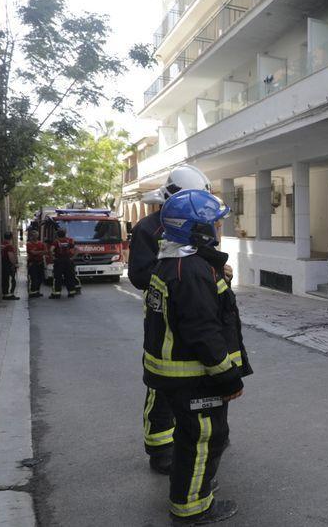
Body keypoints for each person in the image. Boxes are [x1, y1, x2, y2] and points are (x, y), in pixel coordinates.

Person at [144, 189, 249, 524]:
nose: (220, 230)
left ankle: (192, 485)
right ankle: (193, 507)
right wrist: (227, 375)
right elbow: (204, 332)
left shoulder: (176, 264)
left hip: (176, 376)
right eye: (215, 225)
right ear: (199, 231)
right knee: (204, 438)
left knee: (190, 437)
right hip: (194, 379)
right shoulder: (190, 272)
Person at [129, 164, 213, 475]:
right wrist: (176, 279)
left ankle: (195, 437)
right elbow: (139, 276)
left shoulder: (199, 222)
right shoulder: (148, 228)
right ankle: (160, 448)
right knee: (162, 382)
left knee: (198, 379)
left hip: (196, 310)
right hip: (162, 314)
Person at [49, 229, 79, 298]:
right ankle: (71, 293)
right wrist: (72, 258)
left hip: (59, 261)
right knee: (70, 277)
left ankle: (57, 294)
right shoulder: (69, 241)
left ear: (57, 235)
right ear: (65, 234)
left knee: (57, 278)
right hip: (68, 261)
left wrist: (53, 258)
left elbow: (51, 250)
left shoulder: (56, 242)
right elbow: (77, 250)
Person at [25, 228, 49, 299]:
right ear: (31, 236)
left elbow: (46, 251)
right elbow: (32, 253)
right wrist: (41, 252)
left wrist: (37, 252)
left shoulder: (41, 243)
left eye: (36, 235)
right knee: (33, 278)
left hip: (40, 263)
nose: (35, 236)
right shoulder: (29, 244)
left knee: (40, 278)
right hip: (32, 263)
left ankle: (37, 291)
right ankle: (33, 292)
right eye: (33, 235)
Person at [0, 232, 20, 300]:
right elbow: (10, 256)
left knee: (4, 279)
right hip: (8, 264)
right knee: (11, 279)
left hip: (2, 264)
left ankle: (5, 293)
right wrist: (15, 264)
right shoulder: (9, 246)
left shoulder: (1, 245)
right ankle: (9, 294)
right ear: (11, 238)